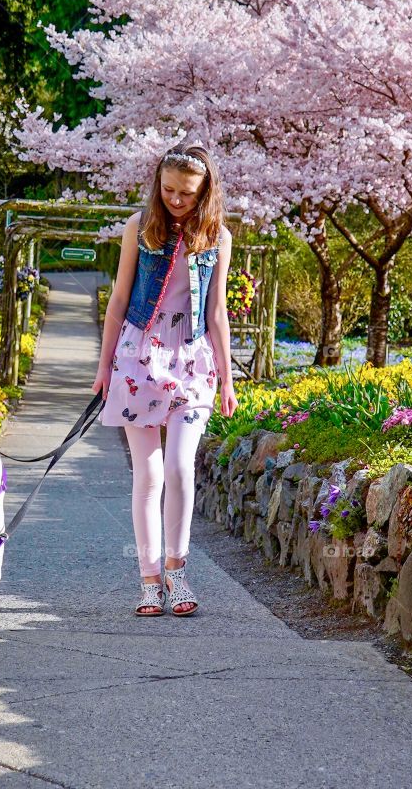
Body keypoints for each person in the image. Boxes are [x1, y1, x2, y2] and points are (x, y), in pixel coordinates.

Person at [92, 145, 237, 617]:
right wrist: (103, 366)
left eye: (187, 194)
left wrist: (228, 378)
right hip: (139, 357)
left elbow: (217, 311)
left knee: (178, 468)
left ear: (205, 192)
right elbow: (119, 300)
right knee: (149, 474)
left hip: (192, 359)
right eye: (169, 189)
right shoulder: (140, 227)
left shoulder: (217, 237)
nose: (176, 199)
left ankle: (177, 570)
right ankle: (149, 580)